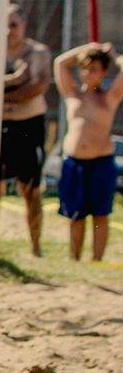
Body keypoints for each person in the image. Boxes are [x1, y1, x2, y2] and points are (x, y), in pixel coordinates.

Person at [0, 3, 51, 256]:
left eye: (14, 25)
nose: (9, 31)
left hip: (27, 126)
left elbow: (37, 87)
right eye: (4, 26)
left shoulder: (38, 52)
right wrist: (15, 79)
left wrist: (3, 91)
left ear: (24, 26)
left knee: (29, 188)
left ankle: (36, 246)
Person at [53, 42, 123, 261]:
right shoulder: (72, 95)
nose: (87, 73)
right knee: (76, 215)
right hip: (74, 162)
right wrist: (88, 47)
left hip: (101, 162)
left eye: (93, 69)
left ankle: (97, 259)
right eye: (84, 68)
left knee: (100, 214)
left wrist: (112, 55)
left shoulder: (109, 98)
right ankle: (75, 258)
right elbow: (60, 63)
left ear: (103, 72)